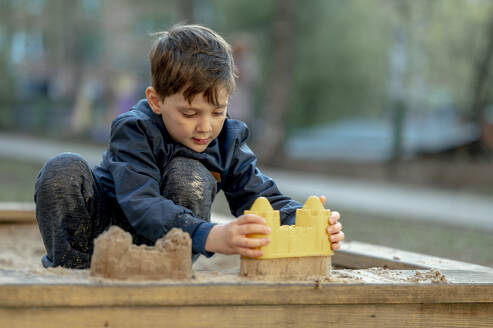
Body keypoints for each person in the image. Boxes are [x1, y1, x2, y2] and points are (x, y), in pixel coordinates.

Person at [34, 24, 344, 269]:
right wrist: (209, 234)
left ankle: (168, 271)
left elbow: (262, 198)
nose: (205, 126)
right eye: (189, 113)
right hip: (101, 236)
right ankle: (71, 270)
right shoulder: (134, 129)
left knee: (188, 173)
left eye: (218, 112)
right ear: (156, 101)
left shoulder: (226, 141)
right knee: (62, 168)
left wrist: (305, 220)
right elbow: (140, 203)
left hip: (166, 254)